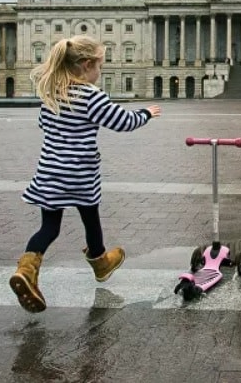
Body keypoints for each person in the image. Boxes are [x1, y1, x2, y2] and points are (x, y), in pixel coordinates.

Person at [10, 36, 161, 313]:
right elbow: (123, 122)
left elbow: (44, 123)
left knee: (49, 228)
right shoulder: (92, 96)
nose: (99, 73)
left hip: (49, 171)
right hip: (80, 172)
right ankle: (100, 261)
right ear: (88, 65)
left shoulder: (52, 94)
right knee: (91, 218)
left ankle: (26, 270)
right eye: (100, 67)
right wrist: (146, 113)